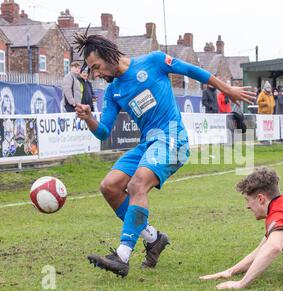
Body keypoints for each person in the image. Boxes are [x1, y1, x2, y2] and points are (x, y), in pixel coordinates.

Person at [72, 30, 256, 278]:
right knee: (110, 186)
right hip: (148, 143)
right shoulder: (114, 91)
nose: (96, 74)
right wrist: (89, 119)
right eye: (92, 71)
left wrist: (227, 90)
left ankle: (122, 256)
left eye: (96, 67)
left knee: (137, 184)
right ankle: (154, 238)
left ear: (107, 55)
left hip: (173, 139)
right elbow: (103, 132)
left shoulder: (153, 61)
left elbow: (192, 71)